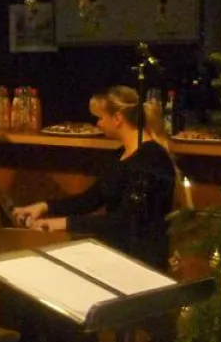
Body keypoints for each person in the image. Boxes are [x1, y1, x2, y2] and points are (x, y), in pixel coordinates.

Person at [12, 86, 175, 270]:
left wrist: (61, 223)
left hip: (141, 261)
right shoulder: (121, 153)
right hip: (119, 251)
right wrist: (44, 206)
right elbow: (91, 198)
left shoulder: (151, 159)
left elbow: (124, 221)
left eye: (100, 117)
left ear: (118, 119)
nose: (98, 123)